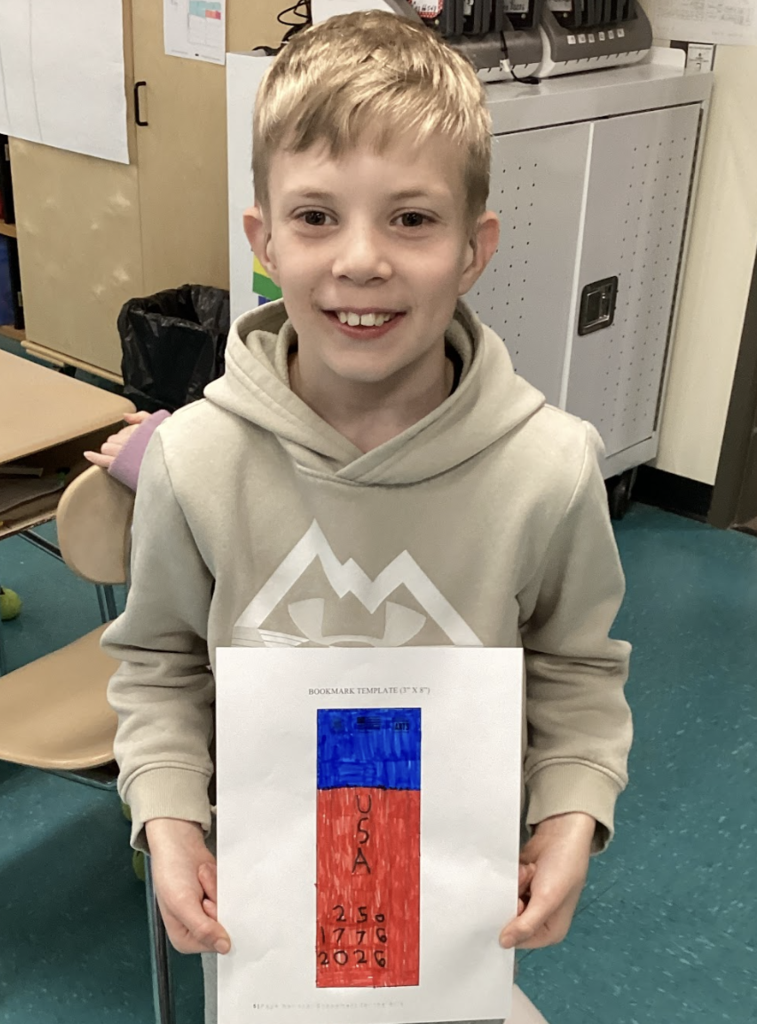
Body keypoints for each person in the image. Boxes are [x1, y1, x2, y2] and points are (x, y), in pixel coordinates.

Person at [97, 11, 632, 1024]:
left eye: (411, 219)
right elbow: (159, 661)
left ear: (473, 251)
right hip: (269, 944)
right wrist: (167, 812)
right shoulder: (198, 458)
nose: (360, 260)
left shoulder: (549, 468)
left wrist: (571, 808)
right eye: (314, 217)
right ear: (263, 240)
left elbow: (575, 665)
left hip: (449, 936)